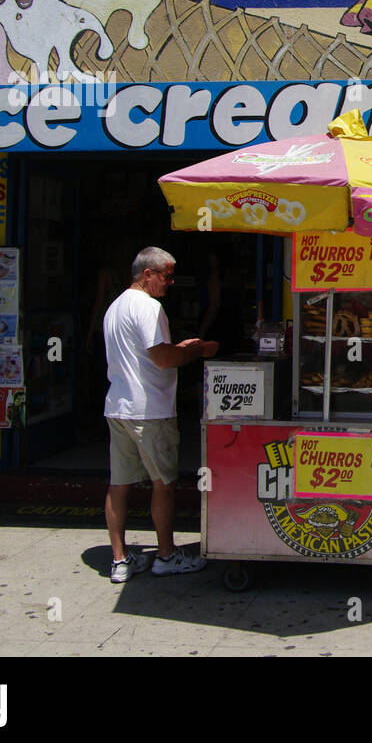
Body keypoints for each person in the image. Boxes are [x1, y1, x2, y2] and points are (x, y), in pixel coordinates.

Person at [103, 247, 218, 582]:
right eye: (166, 275)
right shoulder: (149, 307)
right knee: (163, 484)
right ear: (147, 274)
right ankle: (166, 555)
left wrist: (180, 347)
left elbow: (145, 354)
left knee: (119, 484)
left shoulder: (116, 306)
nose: (170, 282)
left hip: (118, 406)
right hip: (149, 410)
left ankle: (120, 560)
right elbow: (163, 360)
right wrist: (198, 350)